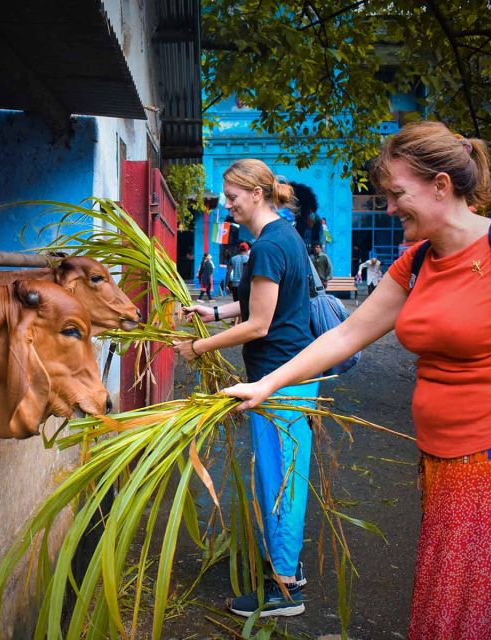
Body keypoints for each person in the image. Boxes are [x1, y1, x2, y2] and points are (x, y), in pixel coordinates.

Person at [223, 121, 491, 640]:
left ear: (441, 185)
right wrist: (267, 385)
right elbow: (346, 335)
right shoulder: (417, 262)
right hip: (438, 459)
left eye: (397, 194)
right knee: (455, 592)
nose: (390, 207)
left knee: (465, 604)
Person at [174, 158, 317, 618]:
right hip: (287, 376)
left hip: (280, 379)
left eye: (233, 197)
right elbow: (254, 306)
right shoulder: (282, 237)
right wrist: (211, 313)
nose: (227, 206)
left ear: (257, 193)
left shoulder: (269, 247)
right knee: (281, 477)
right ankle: (286, 566)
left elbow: (259, 325)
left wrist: (198, 347)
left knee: (279, 482)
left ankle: (284, 590)